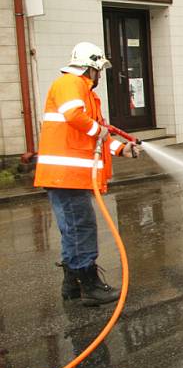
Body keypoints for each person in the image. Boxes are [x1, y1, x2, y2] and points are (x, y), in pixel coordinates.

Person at [34, 42, 140, 306]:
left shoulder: (87, 95)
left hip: (70, 176)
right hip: (65, 174)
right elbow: (75, 118)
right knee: (81, 228)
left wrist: (121, 149)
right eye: (99, 69)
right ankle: (90, 286)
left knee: (73, 229)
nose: (101, 75)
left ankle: (72, 285)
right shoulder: (70, 83)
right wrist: (98, 130)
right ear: (90, 67)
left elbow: (96, 134)